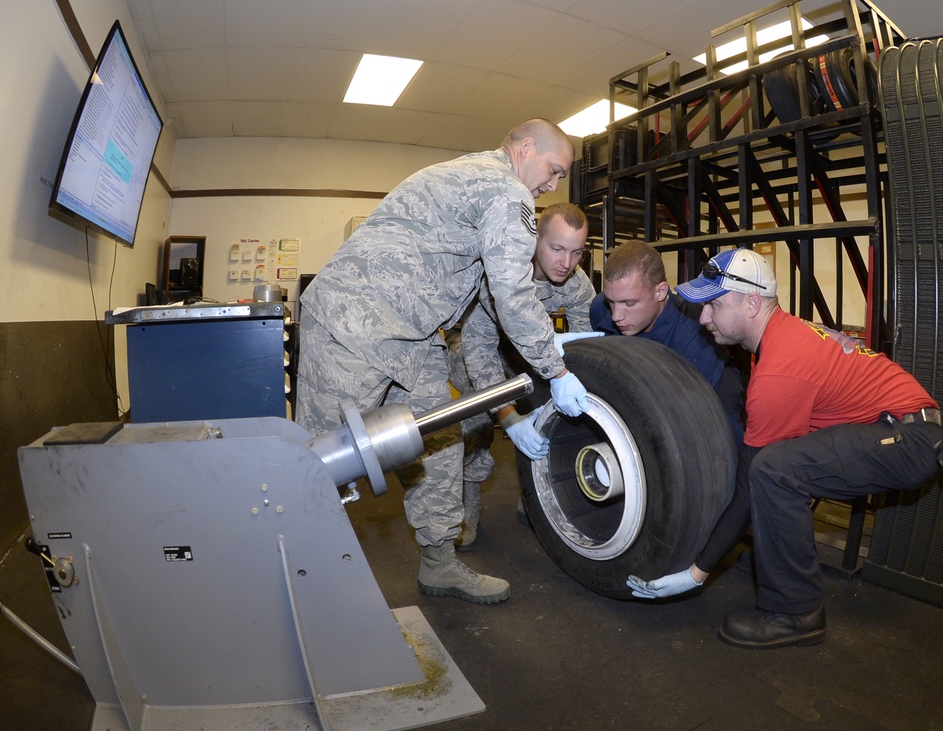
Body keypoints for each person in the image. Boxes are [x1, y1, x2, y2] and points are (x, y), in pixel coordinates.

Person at [296, 119, 592, 606]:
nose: (553, 186)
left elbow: (486, 296)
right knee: (321, 462)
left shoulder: (475, 177)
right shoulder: (505, 190)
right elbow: (513, 295)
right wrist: (557, 372)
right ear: (526, 148)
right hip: (356, 321)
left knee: (438, 438)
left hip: (412, 337)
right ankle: (302, 577)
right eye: (554, 170)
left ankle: (439, 564)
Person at [626, 248, 943, 649]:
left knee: (772, 470)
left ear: (751, 303)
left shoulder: (779, 367)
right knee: (776, 463)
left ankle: (798, 613)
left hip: (906, 439)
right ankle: (777, 561)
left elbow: (751, 481)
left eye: (713, 305)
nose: (705, 317)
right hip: (899, 426)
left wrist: (695, 573)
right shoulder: (783, 334)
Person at [449, 202, 599, 550]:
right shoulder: (502, 275)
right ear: (535, 241)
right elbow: (480, 354)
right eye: (557, 249)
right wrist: (508, 417)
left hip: (524, 349)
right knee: (477, 424)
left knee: (549, 405)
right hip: (472, 346)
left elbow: (585, 345)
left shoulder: (576, 283)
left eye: (577, 252)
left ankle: (534, 493)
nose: (567, 263)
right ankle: (466, 512)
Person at [589, 240, 745, 448]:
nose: (617, 315)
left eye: (629, 303)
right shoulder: (600, 308)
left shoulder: (694, 335)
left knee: (723, 430)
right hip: (638, 377)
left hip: (704, 385)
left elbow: (685, 416)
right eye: (612, 301)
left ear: (660, 292)